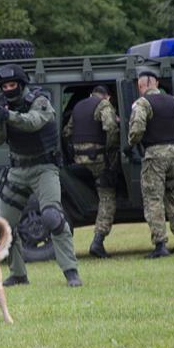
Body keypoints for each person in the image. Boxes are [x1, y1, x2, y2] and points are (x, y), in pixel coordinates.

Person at [0, 64, 82, 287]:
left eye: (12, 85)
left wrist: (7, 115)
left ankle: (71, 272)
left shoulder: (39, 101)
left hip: (44, 168)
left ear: (21, 84)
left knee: (52, 217)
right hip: (17, 170)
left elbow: (33, 122)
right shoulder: (3, 106)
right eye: (5, 86)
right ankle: (18, 274)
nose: (9, 89)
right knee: (3, 226)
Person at [128, 71, 174, 258]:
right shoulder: (173, 101)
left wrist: (132, 144)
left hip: (155, 157)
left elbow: (136, 129)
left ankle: (160, 245)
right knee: (173, 197)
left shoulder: (142, 103)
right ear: (157, 83)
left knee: (153, 199)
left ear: (141, 86)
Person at [63, 85, 119, 258]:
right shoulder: (104, 105)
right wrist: (111, 148)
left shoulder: (78, 106)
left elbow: (66, 132)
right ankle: (98, 241)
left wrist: (75, 150)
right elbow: (110, 127)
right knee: (107, 196)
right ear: (107, 97)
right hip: (98, 159)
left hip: (79, 160)